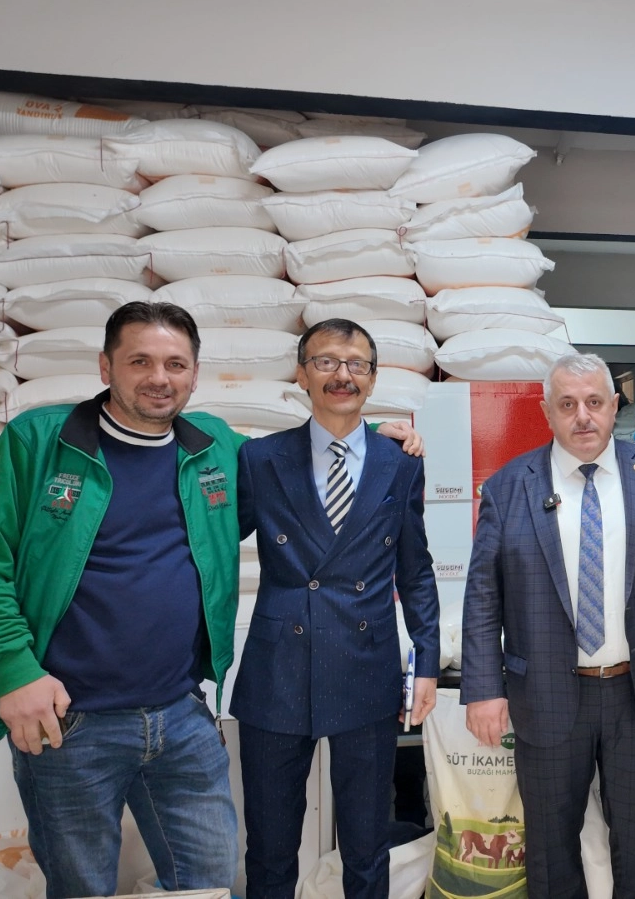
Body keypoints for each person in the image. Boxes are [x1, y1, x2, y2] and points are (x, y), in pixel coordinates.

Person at [0, 302, 242, 898]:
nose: (159, 377)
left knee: (208, 883)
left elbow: (294, 471)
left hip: (181, 716)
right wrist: (14, 671)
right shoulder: (37, 441)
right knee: (82, 889)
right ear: (105, 367)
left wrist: (372, 437)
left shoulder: (213, 447)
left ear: (195, 374)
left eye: (175, 364)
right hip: (71, 725)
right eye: (140, 361)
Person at [461, 352, 635, 899]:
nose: (583, 416)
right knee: (551, 849)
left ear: (614, 406)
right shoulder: (509, 487)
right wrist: (483, 688)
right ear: (546, 411)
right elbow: (482, 596)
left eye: (595, 402)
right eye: (568, 404)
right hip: (546, 693)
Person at [233, 318, 440, 899]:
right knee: (270, 848)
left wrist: (426, 661)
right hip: (277, 670)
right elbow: (211, 541)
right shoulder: (259, 458)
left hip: (366, 666)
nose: (341, 375)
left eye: (356, 365)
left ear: (372, 379)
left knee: (367, 846)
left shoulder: (400, 461)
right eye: (326, 362)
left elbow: (415, 569)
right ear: (302, 375)